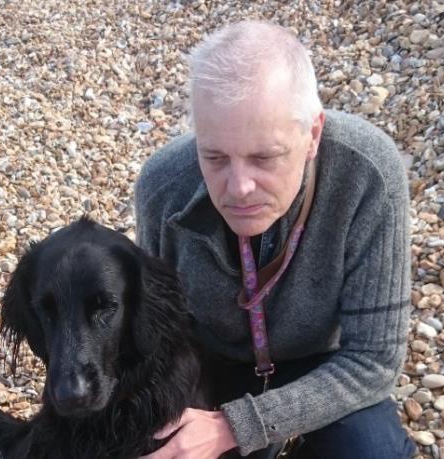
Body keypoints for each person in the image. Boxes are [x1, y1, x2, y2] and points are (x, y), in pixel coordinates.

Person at [134, 20, 416, 459]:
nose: (239, 186)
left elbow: (373, 361)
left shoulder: (368, 175)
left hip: (321, 363)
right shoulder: (161, 187)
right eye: (214, 157)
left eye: (265, 157)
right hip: (211, 364)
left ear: (313, 135)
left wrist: (237, 426)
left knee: (371, 450)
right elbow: (160, 338)